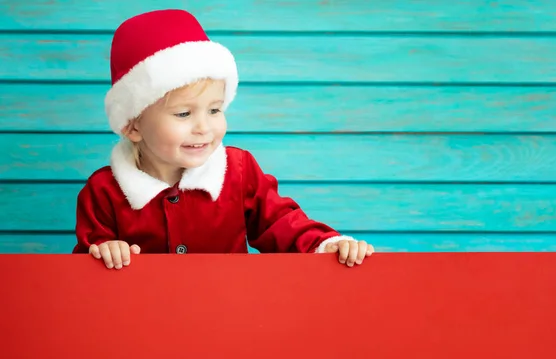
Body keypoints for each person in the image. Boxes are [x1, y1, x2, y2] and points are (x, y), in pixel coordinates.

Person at [73, 9, 374, 269]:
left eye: (214, 110)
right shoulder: (104, 192)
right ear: (132, 126)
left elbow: (280, 223)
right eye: (183, 114)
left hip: (230, 314)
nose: (204, 127)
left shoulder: (239, 171)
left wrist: (325, 244)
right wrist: (103, 252)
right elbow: (86, 268)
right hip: (146, 321)